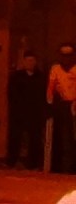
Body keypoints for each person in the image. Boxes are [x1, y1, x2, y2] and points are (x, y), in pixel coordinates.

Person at [8, 50, 48, 169]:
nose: (30, 63)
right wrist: (15, 108)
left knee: (35, 139)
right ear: (24, 61)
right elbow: (11, 94)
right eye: (27, 60)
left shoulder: (41, 77)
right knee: (15, 137)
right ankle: (11, 161)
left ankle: (33, 164)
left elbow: (44, 95)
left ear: (35, 62)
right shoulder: (16, 76)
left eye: (32, 60)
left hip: (35, 113)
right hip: (19, 112)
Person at [48, 44, 76, 172]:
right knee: (61, 137)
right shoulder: (55, 69)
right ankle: (60, 168)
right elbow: (50, 88)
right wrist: (50, 103)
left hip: (74, 105)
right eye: (63, 55)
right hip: (61, 106)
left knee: (72, 137)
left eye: (69, 55)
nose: (66, 58)